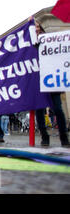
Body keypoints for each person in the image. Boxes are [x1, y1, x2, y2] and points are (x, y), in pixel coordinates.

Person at [31, 18, 69, 147]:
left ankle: (64, 137)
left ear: (41, 28)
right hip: (37, 80)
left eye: (37, 26)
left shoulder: (50, 40)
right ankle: (44, 136)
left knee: (58, 109)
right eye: (33, 27)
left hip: (51, 80)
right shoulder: (30, 44)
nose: (36, 29)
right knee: (40, 111)